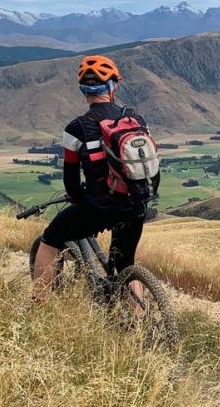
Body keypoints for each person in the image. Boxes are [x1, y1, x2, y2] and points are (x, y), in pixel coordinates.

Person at [32, 55, 160, 303]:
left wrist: (79, 197)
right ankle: (137, 324)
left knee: (50, 239)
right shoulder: (135, 119)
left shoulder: (76, 128)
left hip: (98, 207)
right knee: (125, 265)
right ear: (114, 86)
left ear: (83, 90)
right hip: (135, 204)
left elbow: (71, 179)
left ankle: (39, 306)